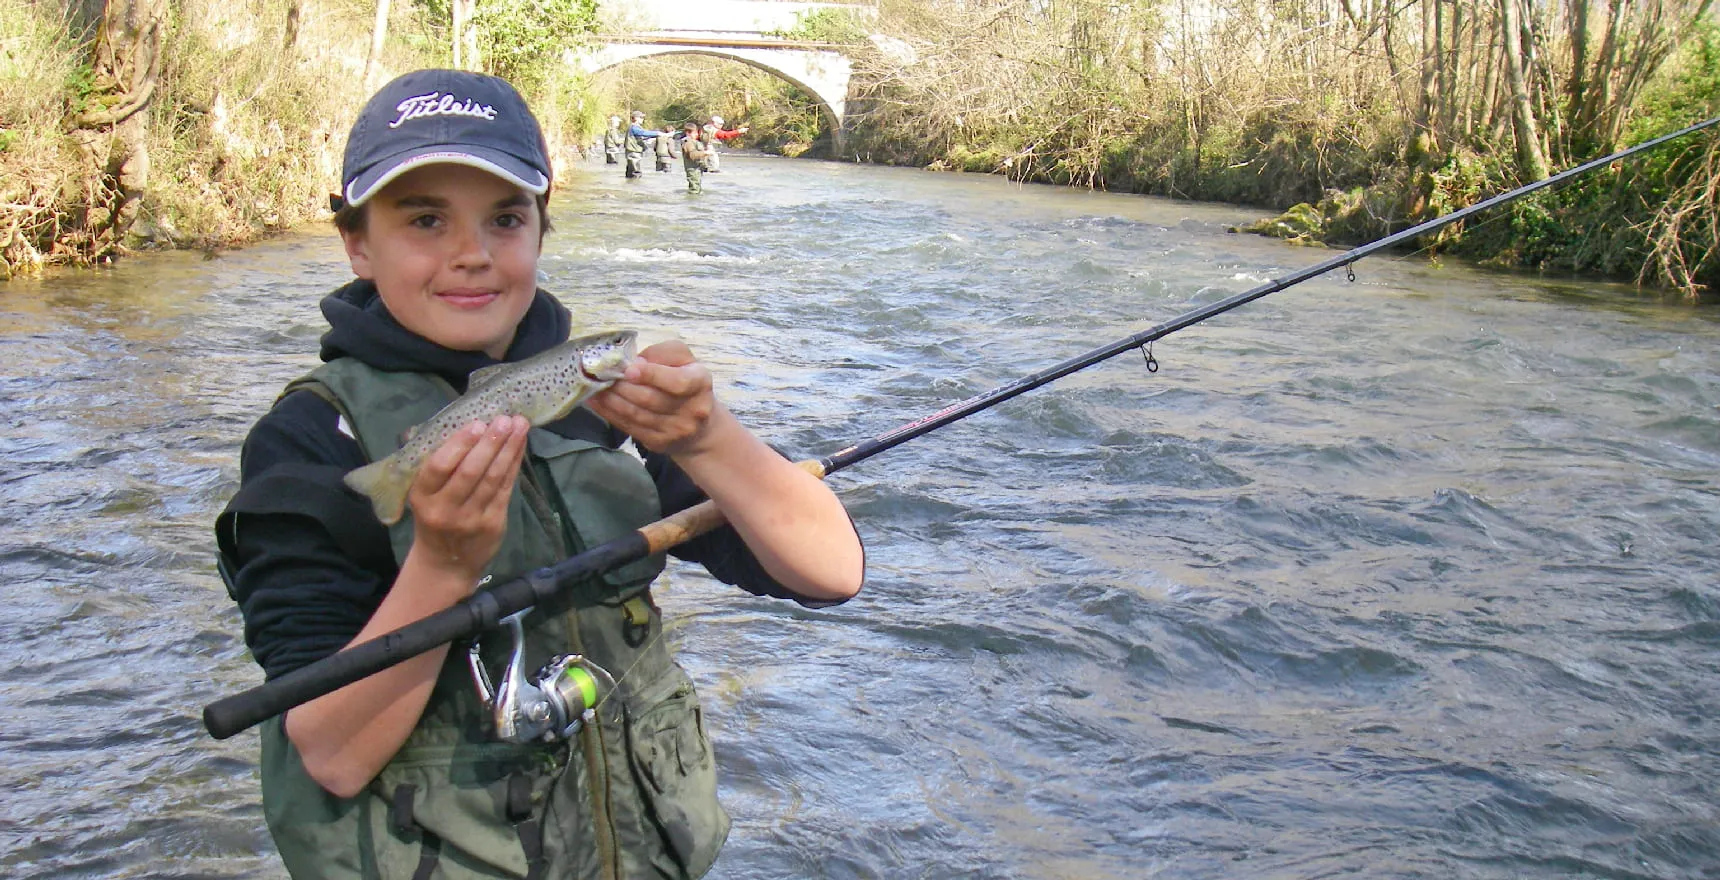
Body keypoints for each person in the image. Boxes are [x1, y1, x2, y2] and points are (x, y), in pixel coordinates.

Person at [213, 69, 864, 879]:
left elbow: (831, 574)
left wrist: (709, 441)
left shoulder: (607, 403)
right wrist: (444, 564)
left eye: (506, 219)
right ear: (356, 243)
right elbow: (332, 755)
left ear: (542, 230)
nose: (473, 255)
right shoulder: (311, 439)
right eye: (425, 220)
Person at [624, 110, 670, 179]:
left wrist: (651, 137)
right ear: (635, 118)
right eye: (641, 117)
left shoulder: (634, 127)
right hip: (633, 152)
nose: (643, 119)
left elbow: (640, 137)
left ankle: (630, 186)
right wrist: (657, 133)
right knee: (636, 173)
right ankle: (636, 187)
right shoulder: (634, 127)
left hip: (633, 151)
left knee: (630, 173)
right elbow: (643, 133)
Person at [679, 120, 711, 194]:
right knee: (694, 190)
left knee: (697, 189)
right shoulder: (688, 143)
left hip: (697, 169)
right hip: (692, 170)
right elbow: (692, 155)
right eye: (695, 133)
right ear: (688, 133)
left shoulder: (694, 142)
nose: (696, 134)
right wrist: (705, 153)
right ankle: (691, 203)